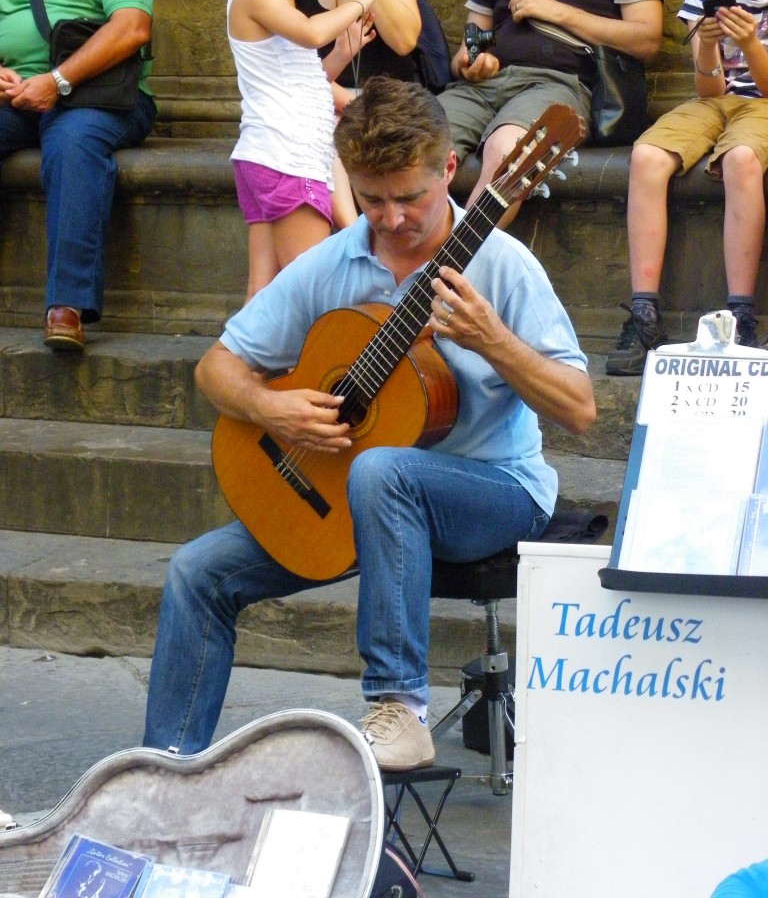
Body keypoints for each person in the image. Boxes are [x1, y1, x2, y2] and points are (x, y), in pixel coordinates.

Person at [142, 76, 596, 772]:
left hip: (494, 488)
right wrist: (272, 407)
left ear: (449, 170)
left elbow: (581, 408)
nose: (389, 219)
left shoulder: (504, 267)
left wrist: (494, 342)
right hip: (358, 499)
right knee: (196, 571)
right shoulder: (337, 259)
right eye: (371, 198)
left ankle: (399, 709)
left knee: (383, 470)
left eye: (409, 197)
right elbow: (216, 368)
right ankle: (164, 773)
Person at [607, 0, 768, 375]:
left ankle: (740, 315)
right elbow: (709, 92)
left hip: (763, 105)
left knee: (742, 160)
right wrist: (707, 45)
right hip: (718, 103)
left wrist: (750, 46)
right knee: (647, 155)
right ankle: (644, 313)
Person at [438, 0, 663, 214]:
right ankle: (414, 257)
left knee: (508, 149)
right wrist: (471, 64)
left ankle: (449, 262)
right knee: (413, 139)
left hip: (561, 85)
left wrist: (558, 12)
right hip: (484, 88)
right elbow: (465, 51)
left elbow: (646, 39)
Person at [0, 0, 156, 351]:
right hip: (17, 94)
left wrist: (58, 80)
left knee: (72, 142)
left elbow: (132, 27)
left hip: (99, 95)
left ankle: (66, 305)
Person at [227, 0, 384, 301]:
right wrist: (360, 2)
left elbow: (300, 82)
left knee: (263, 293)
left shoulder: (280, 3)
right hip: (287, 160)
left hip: (270, 157)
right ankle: (295, 366)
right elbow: (314, 33)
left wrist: (341, 56)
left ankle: (242, 365)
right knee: (309, 292)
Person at [292, 0, 422, 222]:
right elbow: (289, 62)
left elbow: (405, 38)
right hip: (321, 101)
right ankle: (351, 237)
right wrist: (346, 102)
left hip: (388, 101)